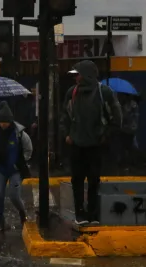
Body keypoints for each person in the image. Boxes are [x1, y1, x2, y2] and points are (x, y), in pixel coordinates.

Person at [61, 60, 122, 225]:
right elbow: (64, 116)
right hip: (76, 144)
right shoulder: (71, 93)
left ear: (87, 75)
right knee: (77, 180)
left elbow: (117, 118)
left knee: (94, 180)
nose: (76, 78)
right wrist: (66, 134)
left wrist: (105, 135)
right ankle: (80, 213)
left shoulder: (105, 93)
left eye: (78, 75)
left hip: (95, 145)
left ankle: (93, 214)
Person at [0, 101, 32, 233]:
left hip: (15, 170)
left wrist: (21, 162)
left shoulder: (19, 133)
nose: (3, 124)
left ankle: (22, 212)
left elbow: (28, 149)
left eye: (6, 121)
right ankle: (0, 223)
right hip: (0, 169)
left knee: (14, 195)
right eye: (1, 121)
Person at [116, 93, 139, 167]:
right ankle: (125, 162)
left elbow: (128, 116)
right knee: (123, 146)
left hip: (129, 129)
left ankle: (130, 162)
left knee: (129, 146)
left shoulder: (132, 105)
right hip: (125, 129)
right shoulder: (123, 104)